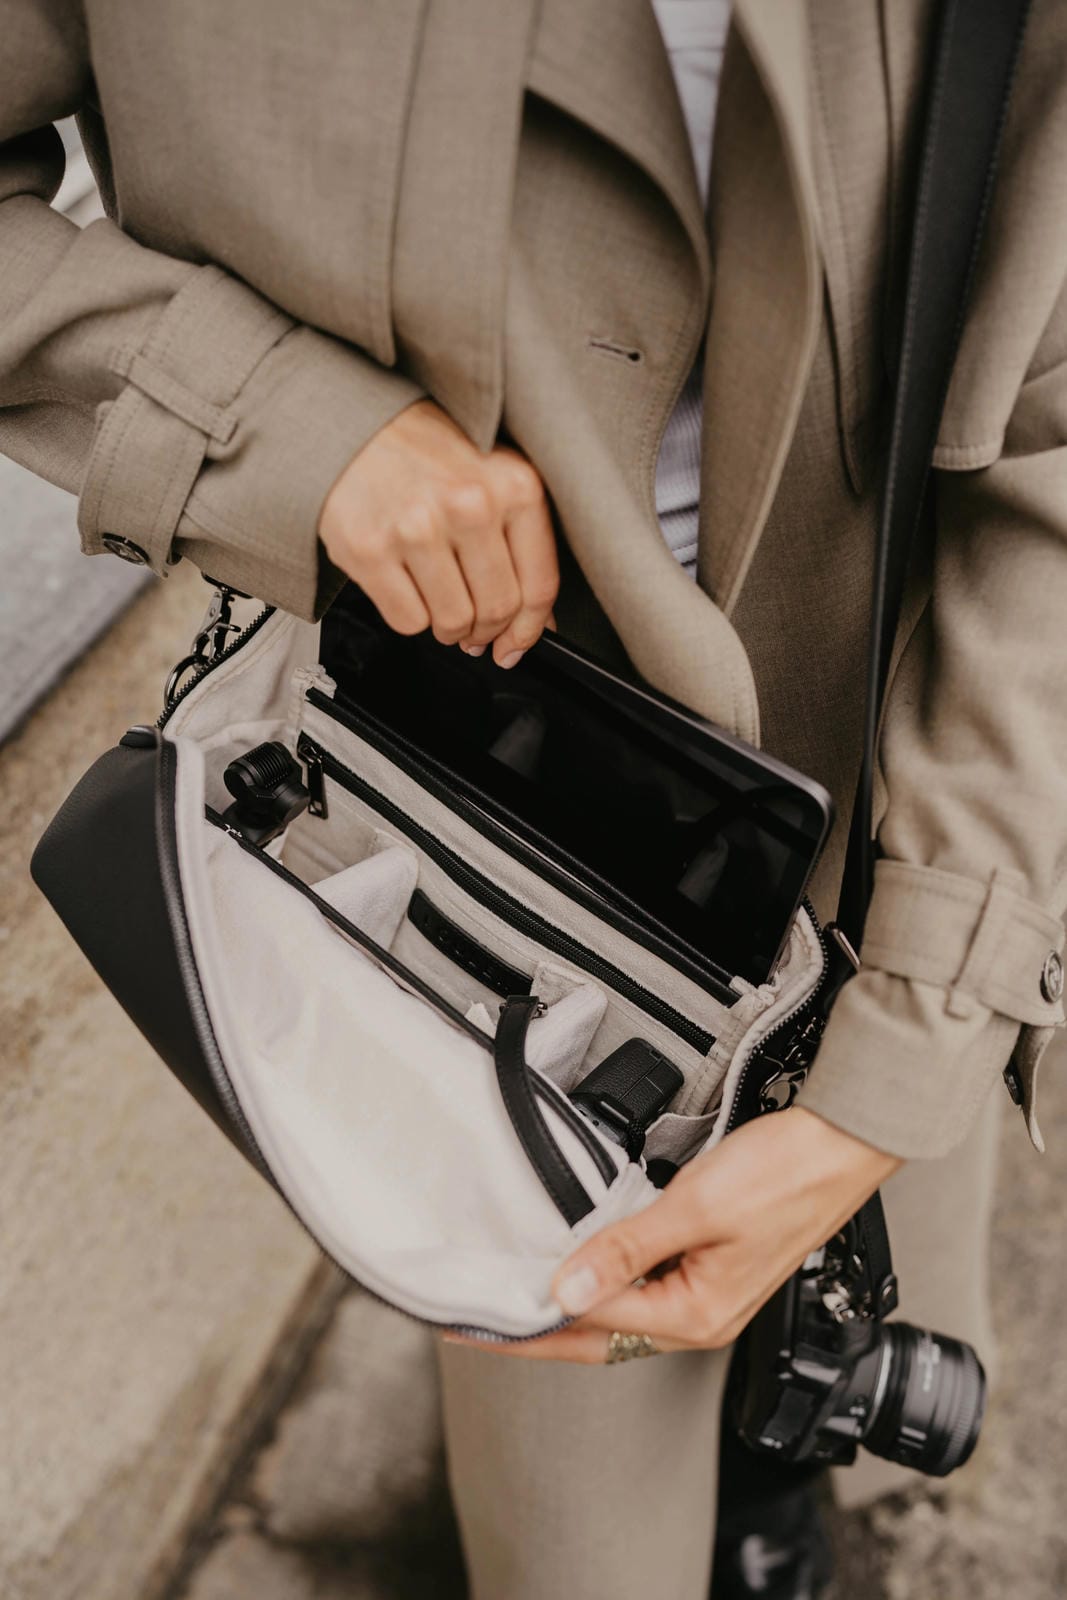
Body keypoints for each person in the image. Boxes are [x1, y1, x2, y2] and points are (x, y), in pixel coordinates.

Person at [3, 2, 1065, 1596]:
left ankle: (780, 1473)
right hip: (469, 776)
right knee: (576, 1408)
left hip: (919, 756)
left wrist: (911, 1044)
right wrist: (286, 430)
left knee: (831, 1285)